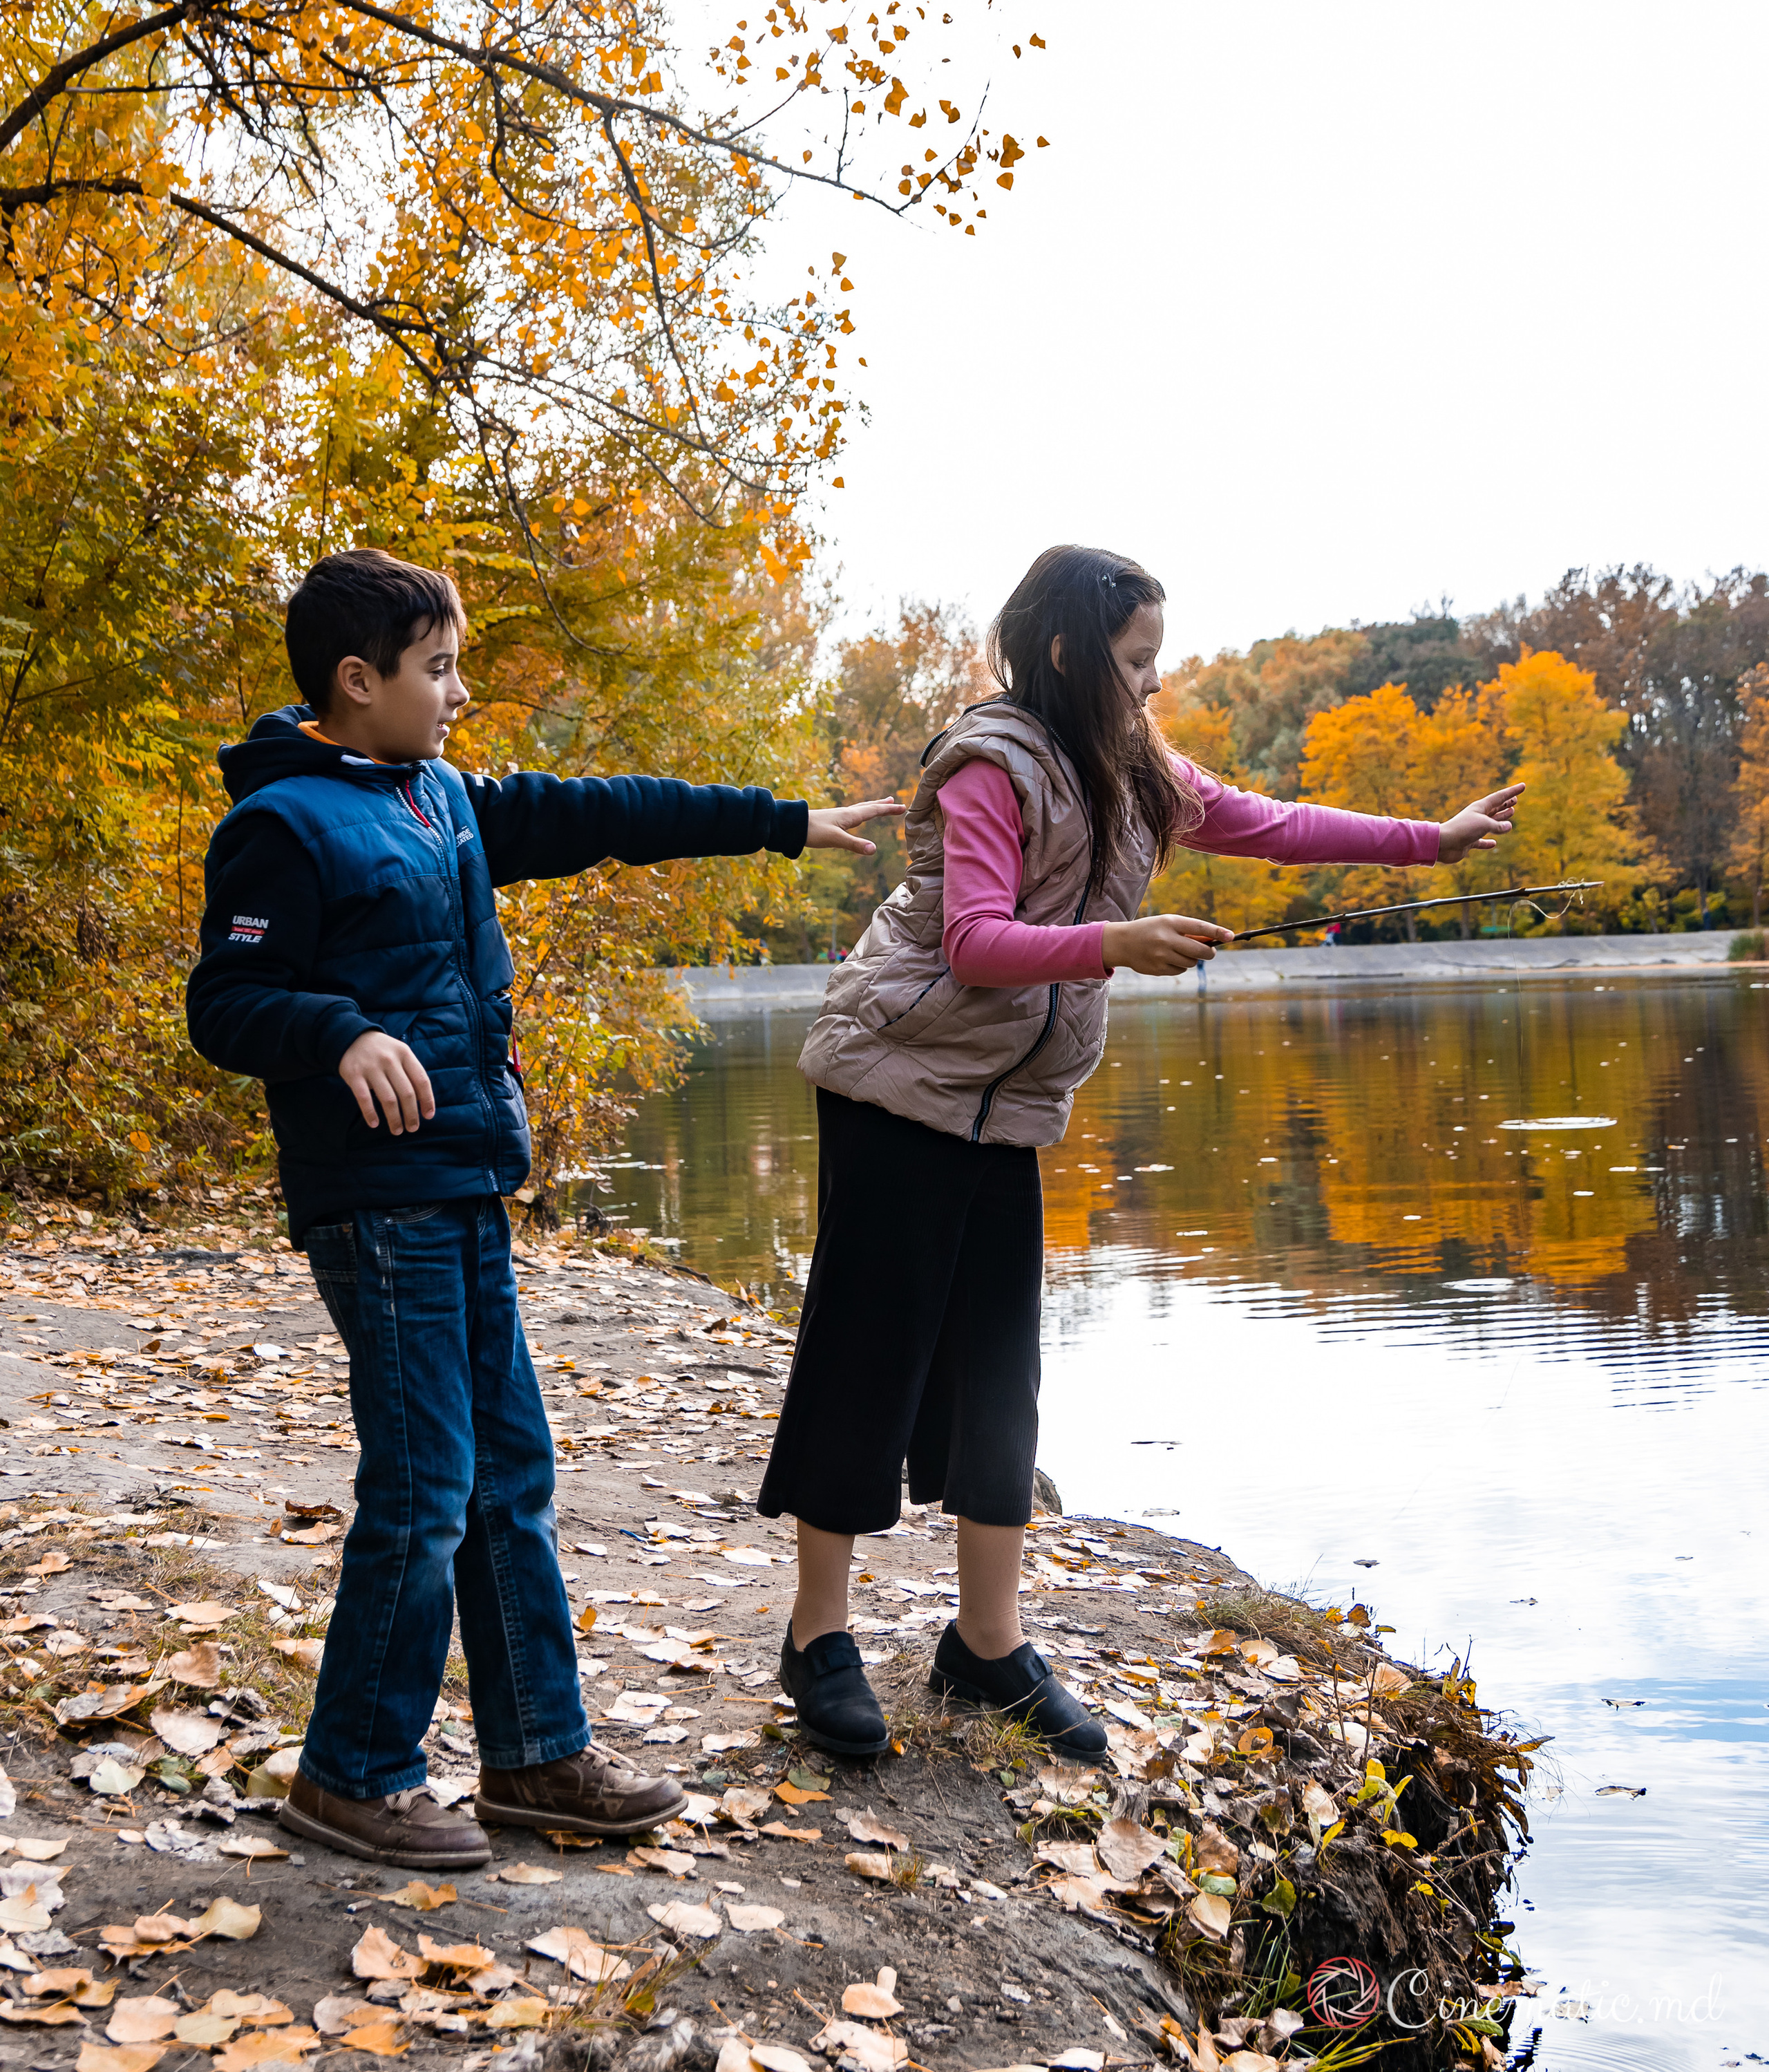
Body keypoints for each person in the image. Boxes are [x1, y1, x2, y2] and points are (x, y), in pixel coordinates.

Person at [186, 547, 897, 1871]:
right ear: (358, 680)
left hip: (462, 1179)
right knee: (424, 1485)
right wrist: (338, 1032)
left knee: (512, 1471)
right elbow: (223, 1006)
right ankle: (353, 1773)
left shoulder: (442, 798)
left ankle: (534, 1756)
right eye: (438, 669)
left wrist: (781, 821)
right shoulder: (280, 826)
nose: (456, 693)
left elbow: (605, 813)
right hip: (374, 1201)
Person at [762, 545, 1522, 1762]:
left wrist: (1427, 841)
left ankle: (987, 1648)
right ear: (1069, 655)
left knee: (1001, 1378)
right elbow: (970, 944)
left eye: (1157, 661)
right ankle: (818, 1639)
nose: (1154, 685)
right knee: (868, 1360)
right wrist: (1116, 942)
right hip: (897, 1086)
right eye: (1136, 662)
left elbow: (1269, 823)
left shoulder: (1134, 765)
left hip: (1005, 1106)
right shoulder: (986, 765)